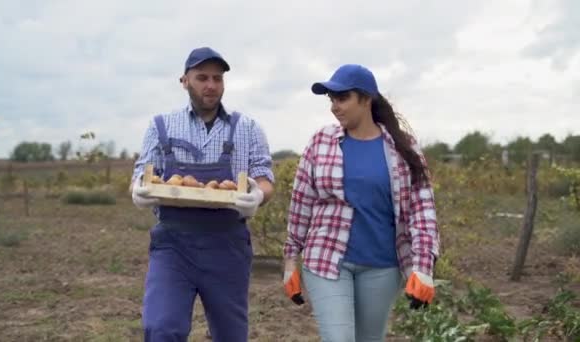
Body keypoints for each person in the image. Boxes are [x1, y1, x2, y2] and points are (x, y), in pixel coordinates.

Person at [283, 64, 439, 341]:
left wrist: (423, 268)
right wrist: (289, 261)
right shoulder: (321, 142)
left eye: (342, 98)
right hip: (327, 260)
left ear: (366, 100)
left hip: (382, 266)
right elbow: (301, 203)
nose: (334, 107)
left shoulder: (403, 148)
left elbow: (422, 211)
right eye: (331, 99)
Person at [131, 46, 275, 342]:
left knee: (231, 335)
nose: (211, 85)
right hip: (173, 246)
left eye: (217, 78)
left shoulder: (247, 128)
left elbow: (264, 179)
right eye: (202, 78)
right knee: (161, 329)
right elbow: (140, 175)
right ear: (184, 81)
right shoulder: (161, 126)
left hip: (227, 246)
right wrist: (139, 191)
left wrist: (257, 196)